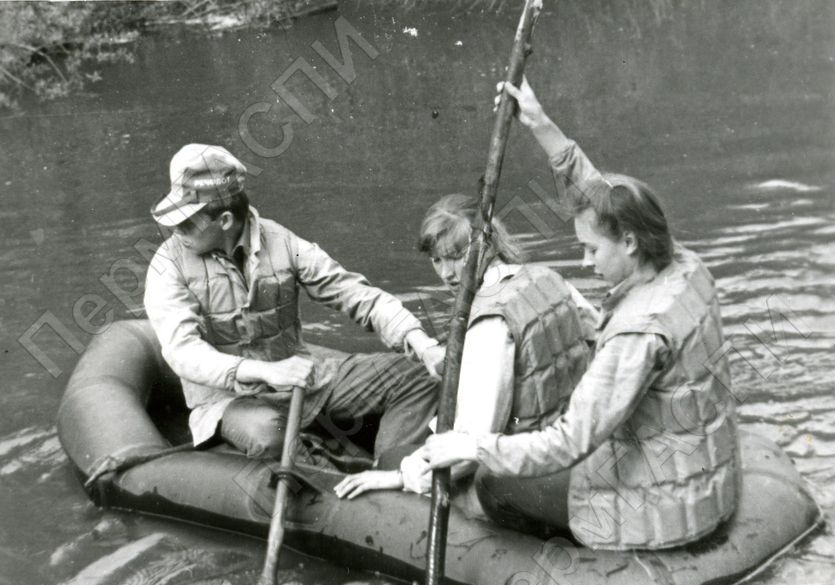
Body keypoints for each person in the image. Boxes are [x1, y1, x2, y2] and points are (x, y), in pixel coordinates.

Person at [417, 78, 742, 551]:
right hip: (698, 472)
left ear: (628, 242)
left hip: (659, 506)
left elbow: (569, 443)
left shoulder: (636, 333)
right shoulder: (686, 266)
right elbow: (604, 197)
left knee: (492, 482)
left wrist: (474, 446)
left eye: (591, 249)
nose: (586, 263)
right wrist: (539, 123)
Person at [144, 144, 445, 462]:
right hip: (228, 400)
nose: (176, 231)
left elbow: (355, 294)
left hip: (304, 385)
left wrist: (421, 343)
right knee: (269, 434)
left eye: (186, 223)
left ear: (225, 220)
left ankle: (392, 474)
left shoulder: (284, 243)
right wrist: (266, 371)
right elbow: (182, 352)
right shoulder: (168, 264)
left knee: (418, 377)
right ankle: (322, 472)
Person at [333, 192, 597, 502]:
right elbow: (598, 342)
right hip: (569, 440)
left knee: (393, 458)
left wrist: (401, 475)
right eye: (437, 260)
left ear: (488, 244)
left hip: (521, 467)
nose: (446, 273)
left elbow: (471, 443)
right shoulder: (548, 277)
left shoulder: (489, 323)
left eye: (457, 256)